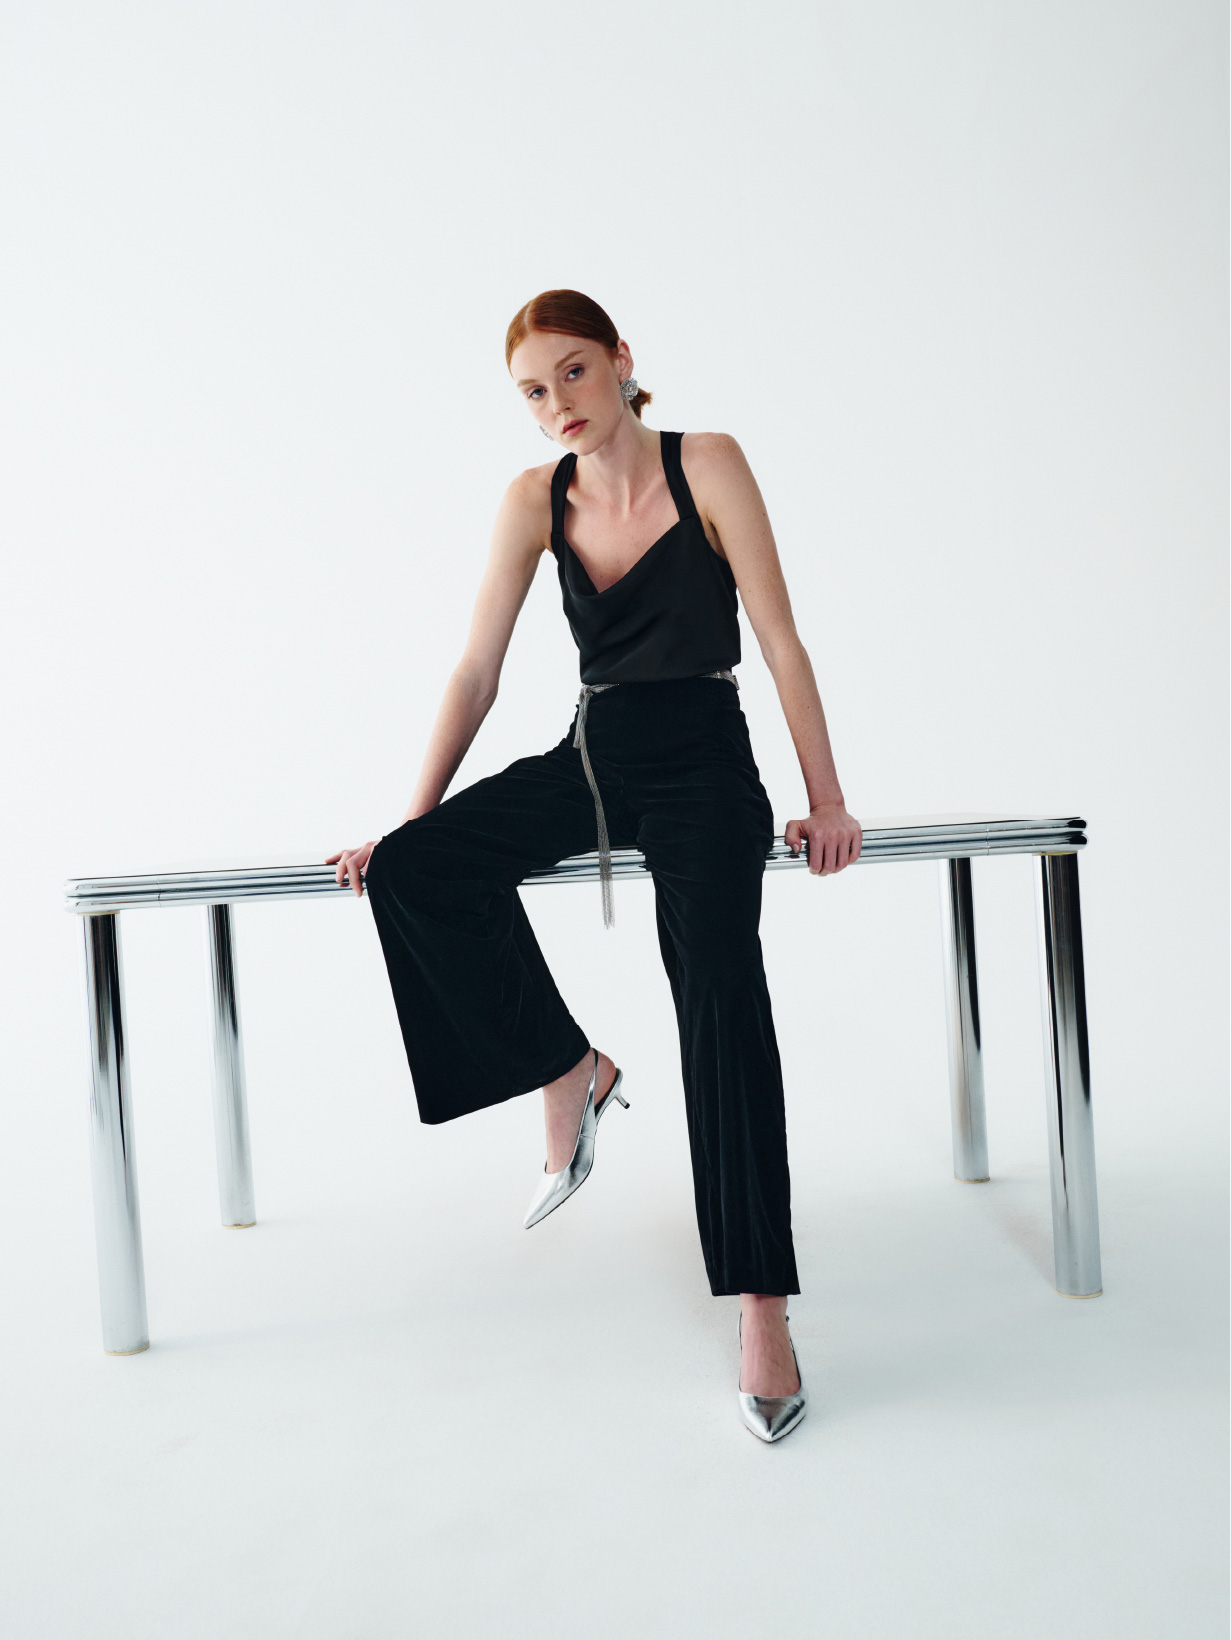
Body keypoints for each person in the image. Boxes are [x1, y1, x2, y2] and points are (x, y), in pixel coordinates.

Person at [329, 289, 861, 1442]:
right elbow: (474, 670)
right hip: (595, 749)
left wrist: (824, 797)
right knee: (418, 873)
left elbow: (779, 638)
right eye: (532, 389)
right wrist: (409, 826)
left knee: (719, 991)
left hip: (706, 758)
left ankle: (761, 1305)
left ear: (621, 358)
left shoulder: (706, 459)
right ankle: (568, 1065)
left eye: (573, 370)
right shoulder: (533, 498)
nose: (556, 401)